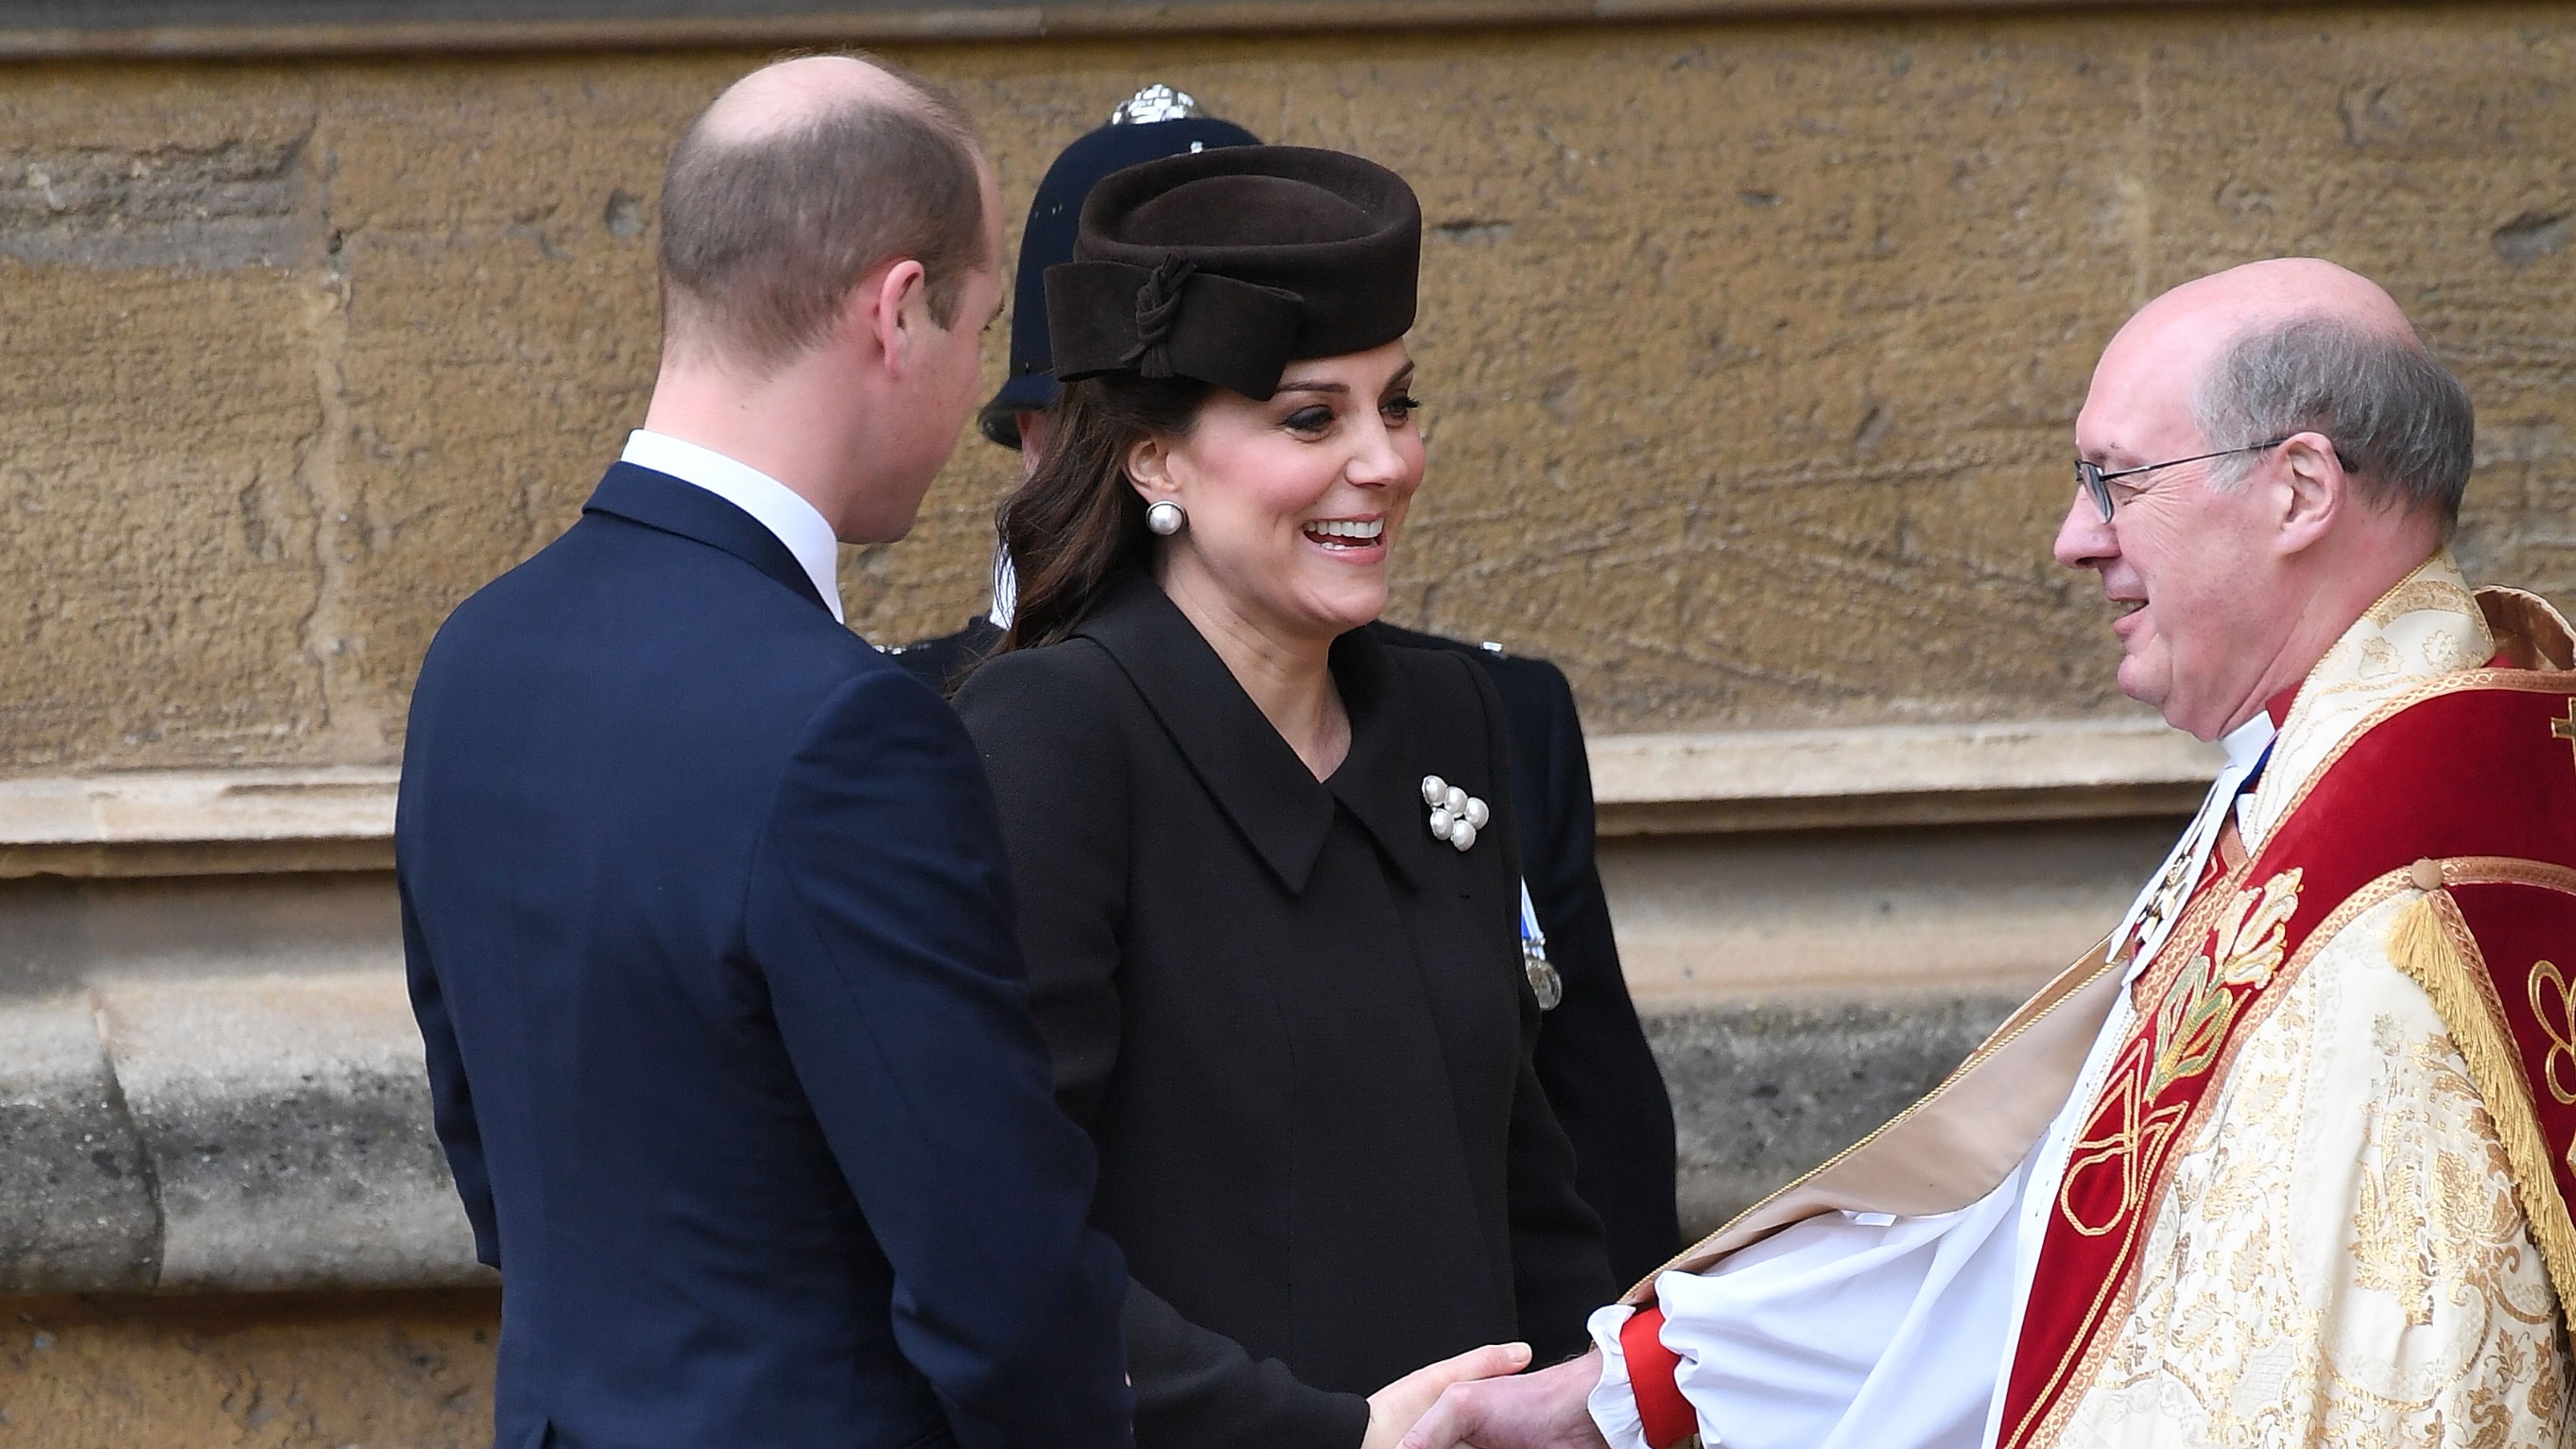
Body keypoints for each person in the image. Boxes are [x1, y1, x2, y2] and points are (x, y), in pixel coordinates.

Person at [1403, 258, 2576, 1449]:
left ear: (2297, 489)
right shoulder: (2367, 759)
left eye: (2115, 482)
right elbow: (2046, 1246)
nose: (2076, 539)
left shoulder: (2375, 925)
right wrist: (1619, 1397)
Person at [396, 57, 1136, 1449]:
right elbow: (999, 1287)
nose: (977, 374)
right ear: (898, 309)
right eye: (978, 325)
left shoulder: (477, 657)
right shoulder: (848, 728)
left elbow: (497, 1164)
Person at [894, 86, 1681, 1285]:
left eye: (1398, 403)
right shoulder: (1049, 736)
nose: (1389, 461)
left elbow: (1543, 1192)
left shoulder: (1452, 721)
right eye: (1312, 419)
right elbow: (1000, 1257)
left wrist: (1584, 1398)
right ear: (1154, 456)